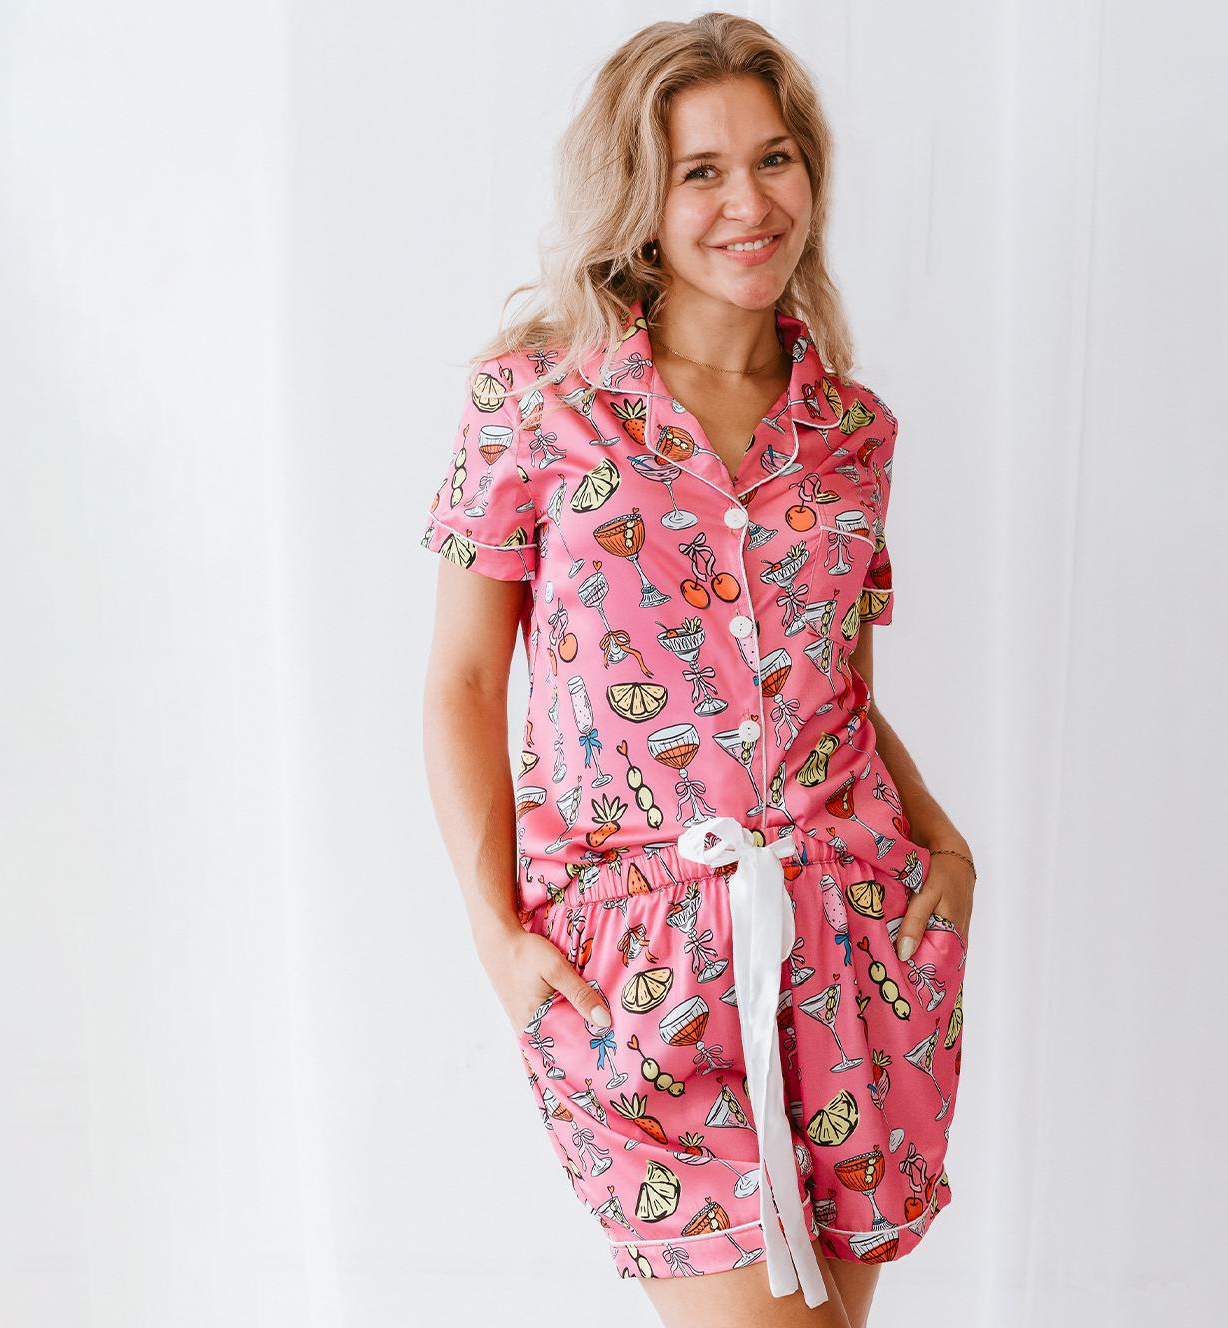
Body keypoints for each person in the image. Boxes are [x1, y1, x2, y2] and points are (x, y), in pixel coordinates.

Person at [420, 14, 978, 1327]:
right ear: (642, 196)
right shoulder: (537, 403)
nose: (748, 202)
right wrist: (496, 935)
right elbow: (464, 683)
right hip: (636, 964)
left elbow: (840, 690)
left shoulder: (851, 433)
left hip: (856, 936)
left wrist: (947, 850)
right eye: (702, 171)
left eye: (774, 159)